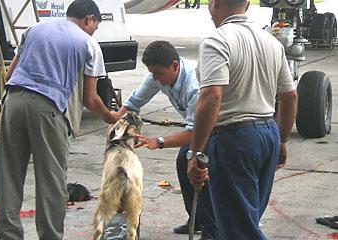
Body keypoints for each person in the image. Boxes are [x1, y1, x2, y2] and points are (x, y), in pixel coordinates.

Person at [0, 0, 119, 239]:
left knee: (8, 176)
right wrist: (109, 116)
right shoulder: (88, 44)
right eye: (96, 26)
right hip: (48, 108)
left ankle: (8, 235)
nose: (94, 31)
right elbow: (90, 99)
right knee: (51, 182)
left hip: (13, 102)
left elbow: (10, 73)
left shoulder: (35, 29)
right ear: (89, 19)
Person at [187, 0, 298, 239]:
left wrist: (194, 153)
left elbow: (211, 96)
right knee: (244, 220)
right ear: (247, 5)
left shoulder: (217, 40)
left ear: (213, 3)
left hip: (234, 139)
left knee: (240, 231)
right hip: (267, 133)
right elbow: (289, 96)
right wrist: (282, 139)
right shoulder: (271, 42)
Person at [112, 40, 215, 240]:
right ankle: (197, 219)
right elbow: (133, 103)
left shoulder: (194, 85)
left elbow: (195, 132)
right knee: (182, 161)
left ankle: (211, 228)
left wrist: (158, 141)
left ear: (175, 66)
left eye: (159, 74)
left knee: (199, 170)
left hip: (218, 128)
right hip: (199, 126)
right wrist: (114, 123)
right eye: (153, 74)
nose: (156, 80)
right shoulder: (158, 76)